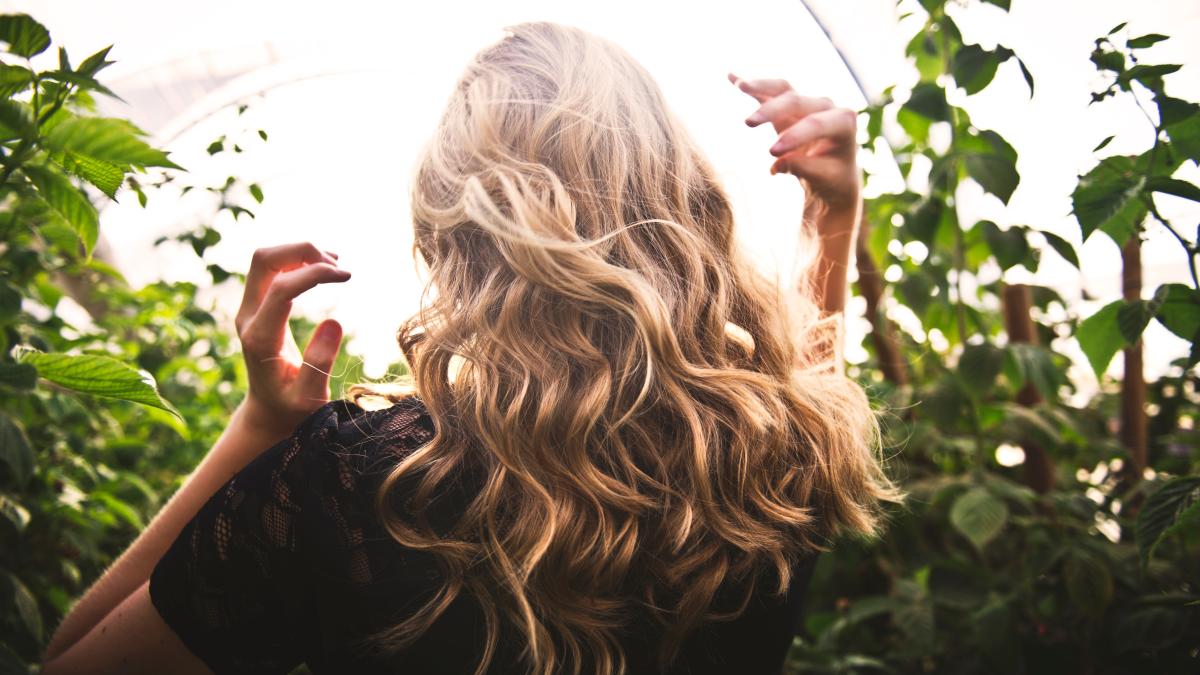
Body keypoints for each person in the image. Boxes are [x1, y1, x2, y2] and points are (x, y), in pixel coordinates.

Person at [40, 21, 899, 675]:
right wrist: (832, 215)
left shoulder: (357, 488)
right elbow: (809, 385)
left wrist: (261, 427)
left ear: (452, 230)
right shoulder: (781, 462)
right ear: (680, 195)